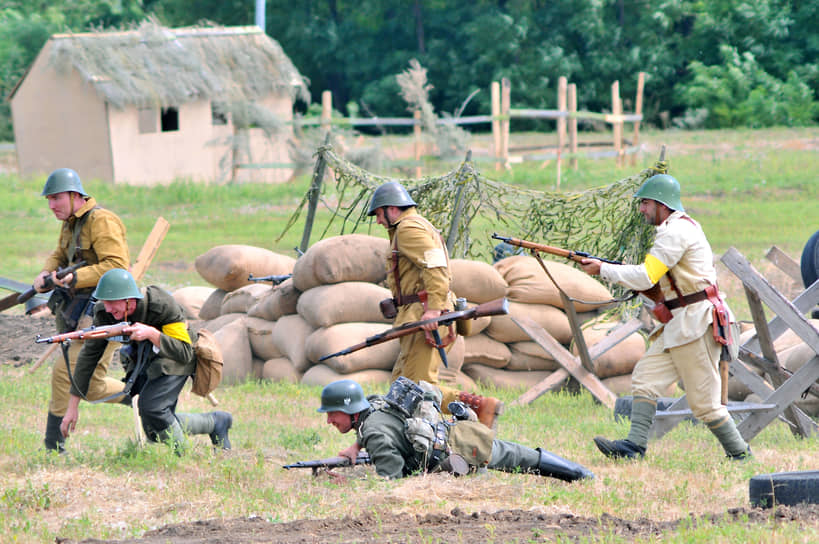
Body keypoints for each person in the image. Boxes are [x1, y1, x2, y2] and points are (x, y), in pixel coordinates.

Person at [578, 173, 751, 460]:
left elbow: (647, 274)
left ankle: (740, 455)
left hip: (696, 322)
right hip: (681, 323)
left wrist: (604, 269)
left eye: (645, 203)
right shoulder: (673, 229)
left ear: (661, 204)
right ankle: (634, 447)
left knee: (704, 405)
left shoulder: (676, 232)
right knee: (645, 378)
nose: (642, 209)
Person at [367, 181, 503, 428]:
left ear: (392, 209)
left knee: (418, 390)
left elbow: (435, 266)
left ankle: (480, 406)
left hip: (425, 314)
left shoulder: (409, 229)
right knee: (401, 386)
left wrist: (433, 309)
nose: (378, 221)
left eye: (378, 213)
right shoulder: (414, 226)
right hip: (418, 313)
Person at [60, 268, 233, 453]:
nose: (108, 309)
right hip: (147, 358)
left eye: (112, 303)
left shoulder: (161, 304)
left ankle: (183, 455)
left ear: (129, 299)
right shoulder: (104, 313)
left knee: (153, 408)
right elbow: (89, 357)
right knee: (153, 429)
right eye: (105, 302)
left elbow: (185, 352)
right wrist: (72, 407)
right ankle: (216, 422)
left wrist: (152, 334)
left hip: (175, 355)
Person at [318, 378, 594, 481]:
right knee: (517, 455)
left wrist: (352, 481)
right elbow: (378, 425)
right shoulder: (374, 409)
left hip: (458, 452)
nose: (329, 421)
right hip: (452, 435)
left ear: (351, 410)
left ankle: (581, 475)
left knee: (519, 459)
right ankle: (581, 473)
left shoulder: (373, 432)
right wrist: (357, 445)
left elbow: (391, 480)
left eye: (332, 414)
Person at [34, 168, 131, 453]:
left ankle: (53, 447)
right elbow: (60, 254)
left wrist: (77, 278)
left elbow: (116, 265)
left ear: (75, 195)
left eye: (56, 198)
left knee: (66, 374)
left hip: (104, 312)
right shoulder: (71, 222)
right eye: (49, 200)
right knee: (89, 387)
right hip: (78, 313)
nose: (52, 205)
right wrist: (46, 272)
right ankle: (145, 396)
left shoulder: (102, 221)